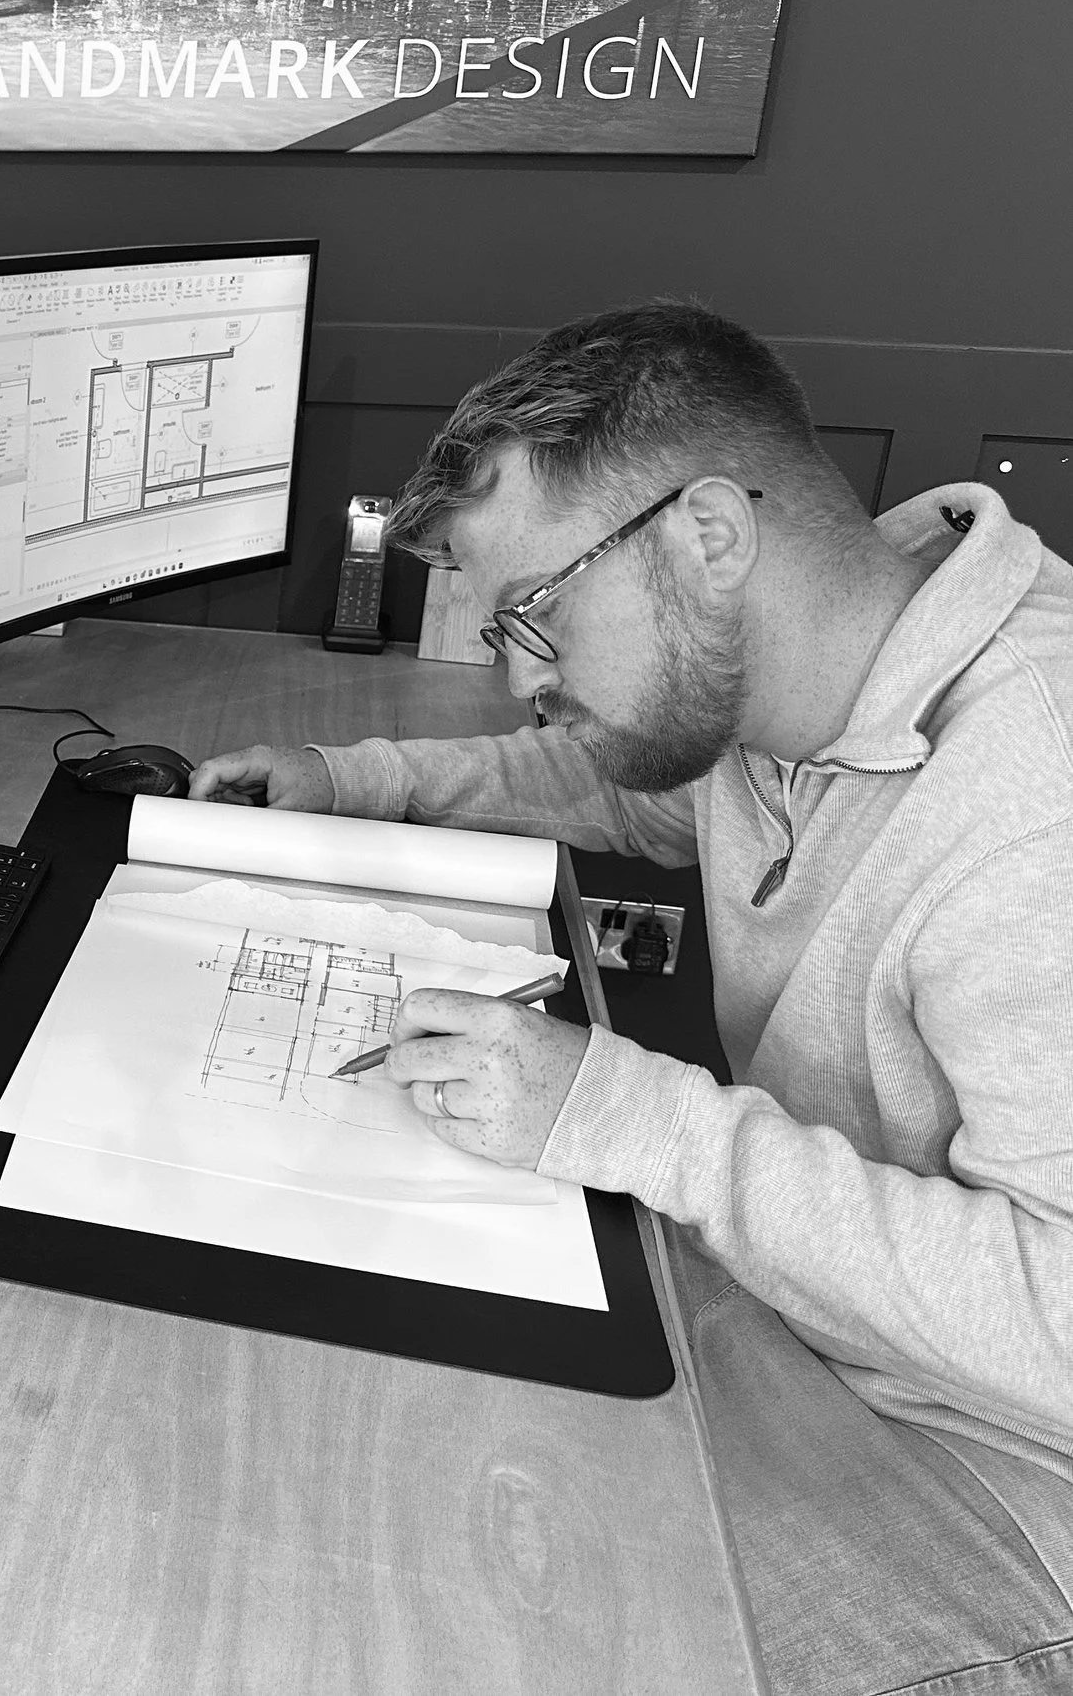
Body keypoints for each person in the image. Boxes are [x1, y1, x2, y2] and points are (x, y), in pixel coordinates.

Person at [194, 303, 1073, 1696]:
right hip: (819, 1319)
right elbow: (627, 782)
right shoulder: (813, 652)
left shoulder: (1040, 797)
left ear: (709, 533)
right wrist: (367, 778)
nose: (517, 675)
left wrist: (629, 1116)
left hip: (1003, 1482)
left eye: (533, 615)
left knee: (452, 1606)